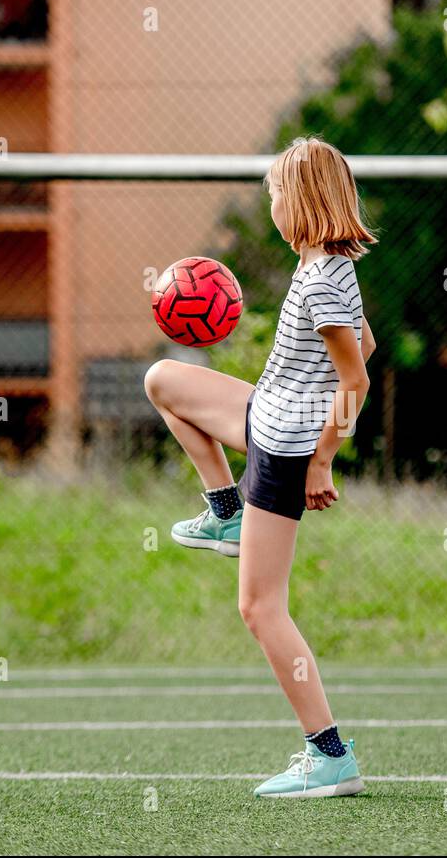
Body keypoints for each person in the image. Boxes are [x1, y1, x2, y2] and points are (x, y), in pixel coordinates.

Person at [144, 136, 377, 797]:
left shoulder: (325, 278)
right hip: (265, 413)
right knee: (164, 380)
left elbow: (355, 375)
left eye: (276, 193)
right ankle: (225, 512)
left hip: (283, 451)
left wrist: (323, 459)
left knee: (260, 607)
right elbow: (369, 339)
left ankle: (329, 755)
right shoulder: (322, 267)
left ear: (300, 201)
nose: (271, 204)